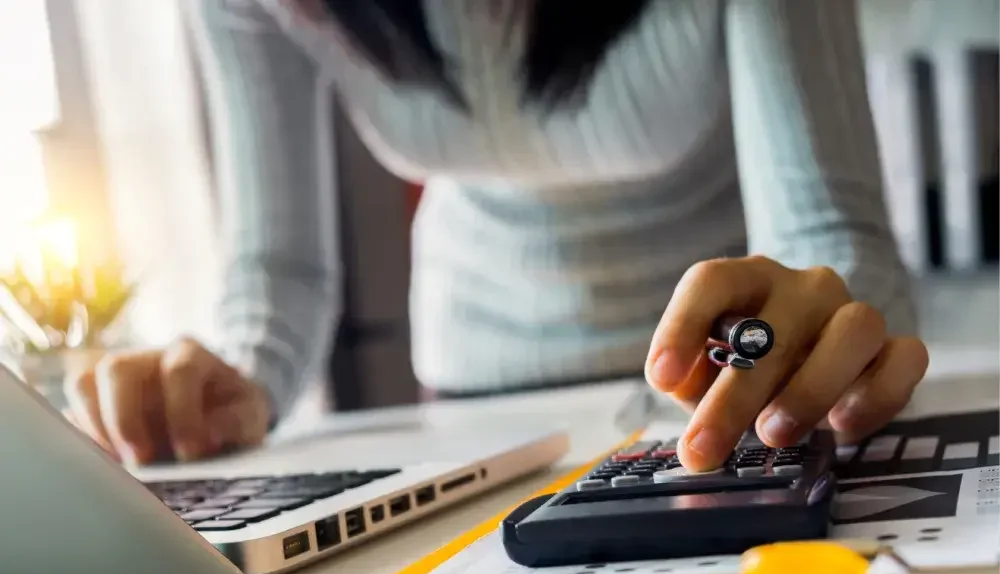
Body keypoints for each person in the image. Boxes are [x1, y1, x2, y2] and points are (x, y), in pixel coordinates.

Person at [63, 0, 928, 473]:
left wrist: (820, 335)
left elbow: (828, 236)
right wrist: (236, 378)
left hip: (729, 396)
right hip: (471, 415)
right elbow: (277, 268)